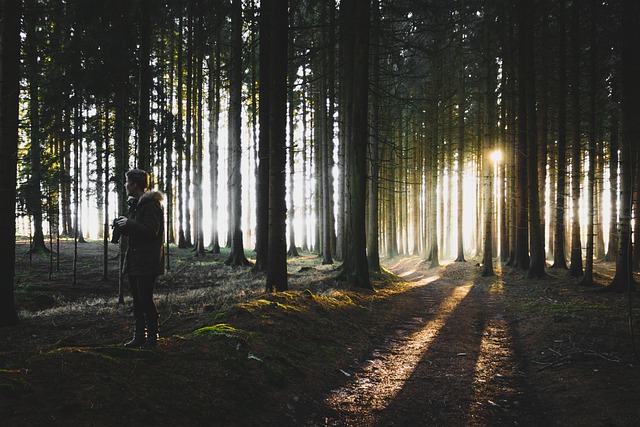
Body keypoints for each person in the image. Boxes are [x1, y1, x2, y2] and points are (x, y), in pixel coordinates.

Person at [114, 169, 165, 348]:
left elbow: (151, 231)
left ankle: (152, 338)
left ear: (134, 184)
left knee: (145, 300)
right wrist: (123, 225)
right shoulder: (136, 206)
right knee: (137, 301)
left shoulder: (151, 205)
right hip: (135, 260)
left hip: (147, 262)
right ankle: (139, 337)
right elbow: (137, 232)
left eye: (127, 182)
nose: (126, 186)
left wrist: (130, 224)